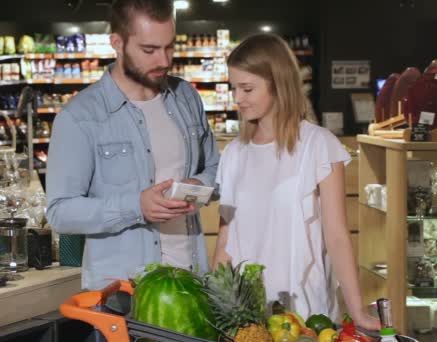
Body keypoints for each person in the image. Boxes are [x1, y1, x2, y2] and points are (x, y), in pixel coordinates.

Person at [46, 0, 220, 291]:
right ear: (117, 43)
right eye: (149, 50)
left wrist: (196, 186)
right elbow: (60, 212)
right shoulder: (80, 116)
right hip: (124, 295)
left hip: (193, 284)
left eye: (169, 47)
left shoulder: (186, 97)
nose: (164, 60)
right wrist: (136, 206)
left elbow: (215, 168)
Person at [212, 33, 380, 330]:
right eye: (234, 88)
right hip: (246, 318)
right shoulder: (234, 155)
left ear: (277, 84)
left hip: (305, 312)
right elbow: (225, 243)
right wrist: (215, 309)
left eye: (247, 88)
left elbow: (337, 235)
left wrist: (357, 311)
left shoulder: (318, 146)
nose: (237, 98)